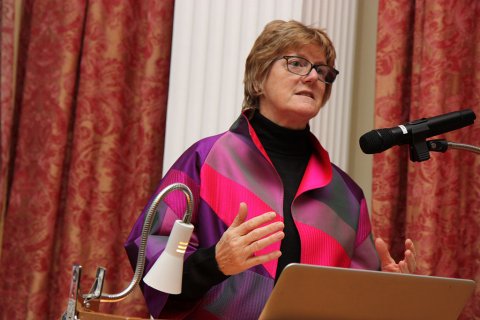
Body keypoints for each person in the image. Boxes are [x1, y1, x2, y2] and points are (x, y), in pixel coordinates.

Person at [125, 19, 416, 319]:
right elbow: (152, 259)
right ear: (258, 78)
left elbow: (353, 301)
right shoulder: (205, 159)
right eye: (296, 63)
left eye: (321, 70)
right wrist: (215, 262)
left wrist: (390, 292)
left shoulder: (346, 195)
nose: (312, 77)